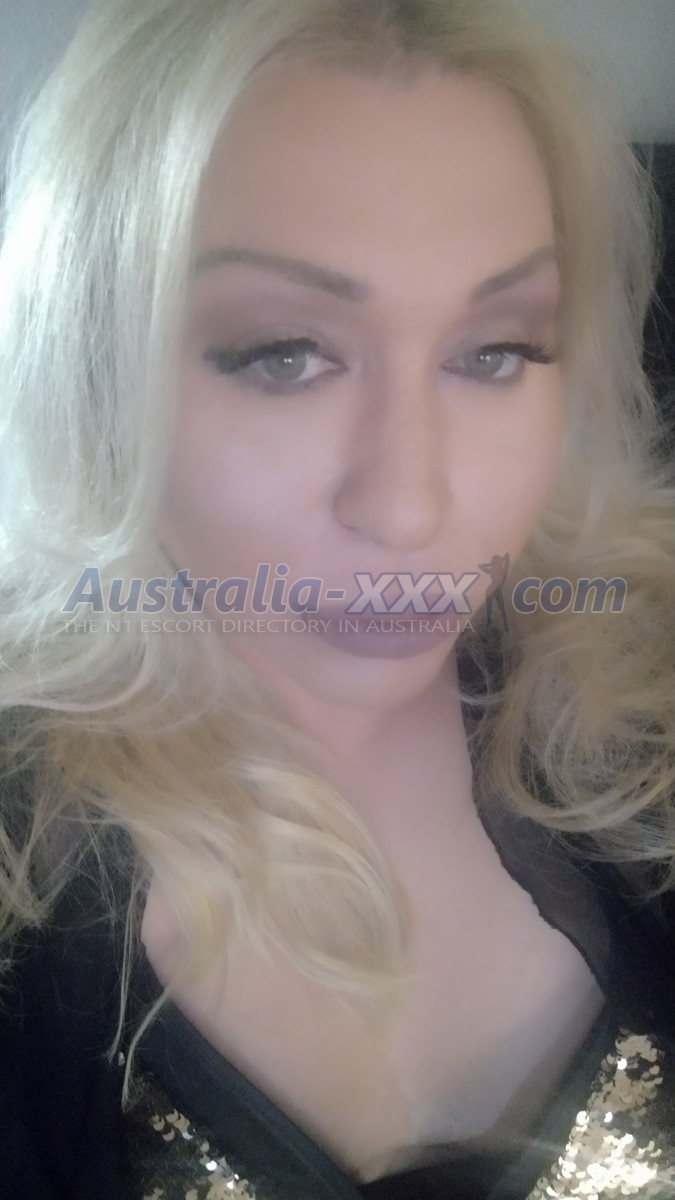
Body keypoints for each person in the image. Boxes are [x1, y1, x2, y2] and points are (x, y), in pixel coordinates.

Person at [1, 0, 674, 1197]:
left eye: (495, 352)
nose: (410, 510)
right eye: (282, 354)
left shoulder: (639, 704)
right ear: (95, 365)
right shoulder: (26, 842)